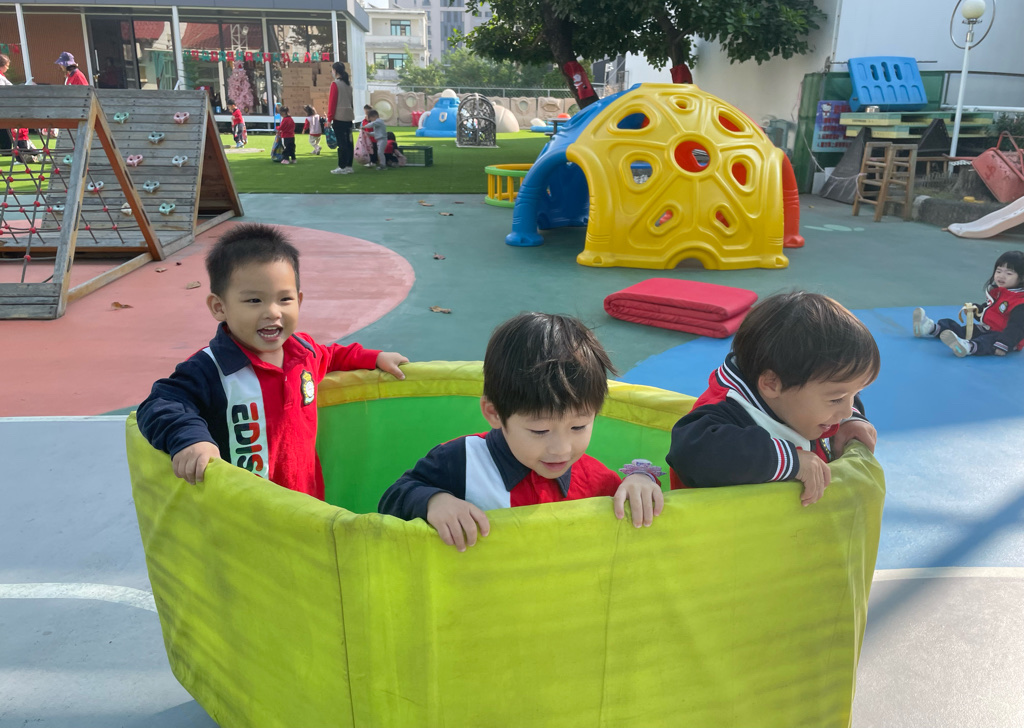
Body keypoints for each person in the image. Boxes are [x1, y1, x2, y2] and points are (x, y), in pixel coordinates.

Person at [136, 224, 409, 499]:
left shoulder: (304, 352)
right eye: (254, 300)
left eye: (285, 299)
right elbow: (161, 403)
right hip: (242, 509)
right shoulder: (210, 368)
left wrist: (375, 357)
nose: (273, 312)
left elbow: (333, 355)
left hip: (305, 502)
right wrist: (190, 439)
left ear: (299, 300)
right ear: (219, 307)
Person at [379, 312, 665, 551]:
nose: (561, 449)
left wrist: (641, 479)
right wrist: (434, 501)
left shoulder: (592, 478)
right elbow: (393, 498)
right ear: (494, 413)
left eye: (578, 426)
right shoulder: (462, 460)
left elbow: (629, 503)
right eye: (540, 430)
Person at [666, 291, 880, 507]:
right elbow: (691, 454)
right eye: (836, 399)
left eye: (855, 394)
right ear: (771, 384)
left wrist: (851, 421)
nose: (846, 410)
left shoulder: (794, 399)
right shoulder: (723, 415)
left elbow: (840, 398)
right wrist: (790, 461)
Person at [913, 250, 1024, 357]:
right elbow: (992, 309)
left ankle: (968, 347)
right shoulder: (999, 292)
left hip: (1006, 337)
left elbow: (1018, 326)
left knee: (987, 341)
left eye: (1009, 273)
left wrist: (1005, 344)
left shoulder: (1019, 302)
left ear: (1022, 278)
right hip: (987, 328)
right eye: (998, 271)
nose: (1001, 276)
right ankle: (930, 327)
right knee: (964, 330)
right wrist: (977, 310)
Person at [327, 62, 354, 174]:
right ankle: (348, 165)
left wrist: (329, 119)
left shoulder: (335, 84)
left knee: (341, 143)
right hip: (348, 116)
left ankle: (342, 166)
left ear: (335, 71)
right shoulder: (348, 85)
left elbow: (332, 102)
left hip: (339, 116)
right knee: (349, 142)